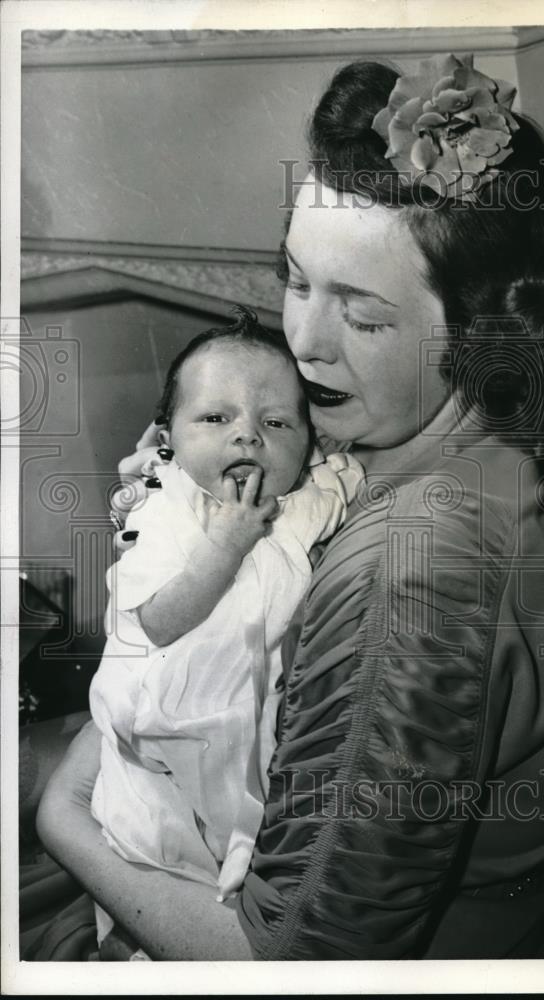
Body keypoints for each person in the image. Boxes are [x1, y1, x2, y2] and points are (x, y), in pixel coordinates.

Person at [36, 54, 544, 960]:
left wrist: (61, 818)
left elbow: (298, 964)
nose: (300, 343)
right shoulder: (443, 456)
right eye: (296, 279)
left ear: (484, 335)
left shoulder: (414, 573)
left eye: (364, 316)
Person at [89, 309, 363, 948]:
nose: (246, 436)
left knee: (242, 846)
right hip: (158, 731)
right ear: (168, 439)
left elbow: (351, 473)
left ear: (309, 442)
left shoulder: (307, 499)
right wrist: (224, 548)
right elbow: (156, 620)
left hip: (248, 723)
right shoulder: (163, 508)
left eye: (275, 422)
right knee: (150, 843)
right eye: (215, 419)